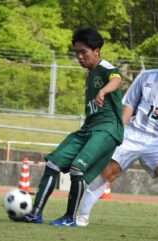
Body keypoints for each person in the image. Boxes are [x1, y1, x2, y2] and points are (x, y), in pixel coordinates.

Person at [10, 27, 124, 226]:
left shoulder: (105, 67)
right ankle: (35, 213)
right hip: (89, 128)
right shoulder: (90, 74)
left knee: (77, 168)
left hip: (107, 129)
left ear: (96, 51)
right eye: (76, 53)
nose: (79, 57)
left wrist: (103, 91)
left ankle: (70, 218)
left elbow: (117, 79)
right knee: (53, 162)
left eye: (83, 52)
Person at [76, 69, 158, 227]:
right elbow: (130, 105)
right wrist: (118, 132)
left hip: (156, 141)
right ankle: (82, 215)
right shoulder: (146, 76)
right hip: (133, 133)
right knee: (107, 172)